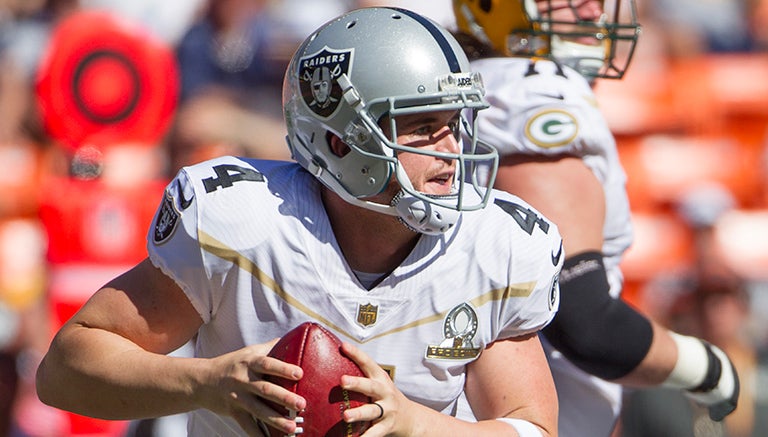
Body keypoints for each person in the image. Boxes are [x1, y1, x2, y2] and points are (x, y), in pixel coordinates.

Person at [36, 7, 564, 437]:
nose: (452, 151)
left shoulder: (495, 247)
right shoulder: (244, 223)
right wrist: (207, 382)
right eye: (424, 127)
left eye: (455, 124)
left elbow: (531, 428)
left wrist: (416, 424)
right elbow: (64, 371)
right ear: (341, 141)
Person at [450, 1, 739, 436]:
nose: (591, 9)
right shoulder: (532, 96)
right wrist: (708, 367)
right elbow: (585, 322)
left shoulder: (476, 87)